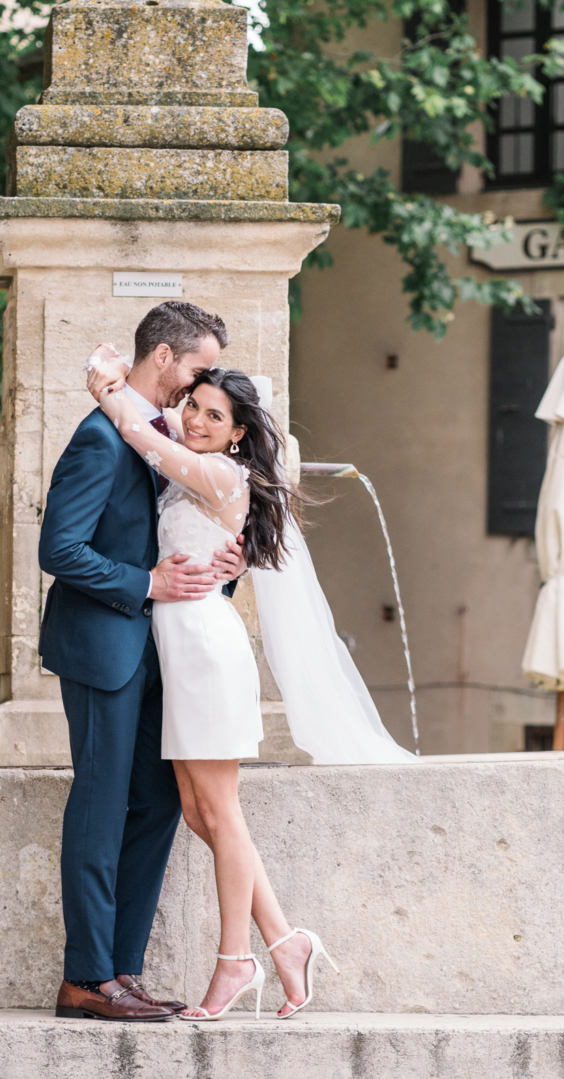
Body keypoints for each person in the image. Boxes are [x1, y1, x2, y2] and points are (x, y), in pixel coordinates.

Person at [84, 355, 344, 1021]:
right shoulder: (200, 446)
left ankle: (235, 962)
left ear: (237, 433)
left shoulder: (223, 472)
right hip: (184, 648)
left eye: (214, 414)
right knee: (201, 814)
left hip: (203, 648)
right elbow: (160, 416)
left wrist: (107, 389)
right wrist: (131, 376)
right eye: (194, 405)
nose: (196, 419)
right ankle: (285, 941)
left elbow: (145, 435)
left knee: (220, 815)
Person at [38, 301, 246, 1023]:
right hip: (101, 648)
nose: (199, 386)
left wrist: (223, 565)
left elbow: (178, 533)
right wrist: (145, 584)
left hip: (162, 652)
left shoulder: (161, 435)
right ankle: (85, 977)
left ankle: (121, 970)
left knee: (157, 803)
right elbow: (57, 551)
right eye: (195, 369)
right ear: (163, 358)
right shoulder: (101, 436)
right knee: (99, 807)